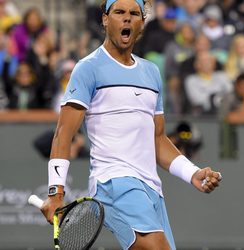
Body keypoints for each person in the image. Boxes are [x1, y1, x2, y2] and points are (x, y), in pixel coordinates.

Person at [41, 0, 222, 249]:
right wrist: (55, 193)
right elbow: (63, 134)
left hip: (151, 188)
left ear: (141, 23)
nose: (127, 18)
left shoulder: (151, 72)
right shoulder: (88, 68)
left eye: (134, 14)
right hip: (113, 182)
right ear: (105, 19)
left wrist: (192, 173)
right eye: (119, 12)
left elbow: (158, 139)